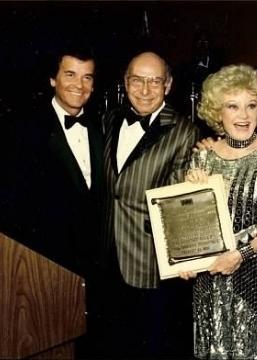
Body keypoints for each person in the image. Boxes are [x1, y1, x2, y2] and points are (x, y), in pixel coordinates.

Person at [180, 64, 257, 359]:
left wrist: (240, 255)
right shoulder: (203, 156)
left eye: (251, 106)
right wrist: (184, 259)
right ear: (218, 112)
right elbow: (191, 225)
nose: (243, 116)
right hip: (210, 284)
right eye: (233, 106)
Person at [0, 43, 104, 357]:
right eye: (70, 74)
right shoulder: (22, 129)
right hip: (45, 272)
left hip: (96, 272)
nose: (79, 85)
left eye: (87, 77)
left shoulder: (103, 125)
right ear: (52, 79)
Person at [101, 51, 200, 358]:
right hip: (105, 258)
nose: (145, 90)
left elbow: (180, 204)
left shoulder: (184, 131)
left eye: (154, 81)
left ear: (168, 85)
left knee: (150, 347)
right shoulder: (109, 118)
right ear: (125, 82)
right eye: (137, 80)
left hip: (149, 262)